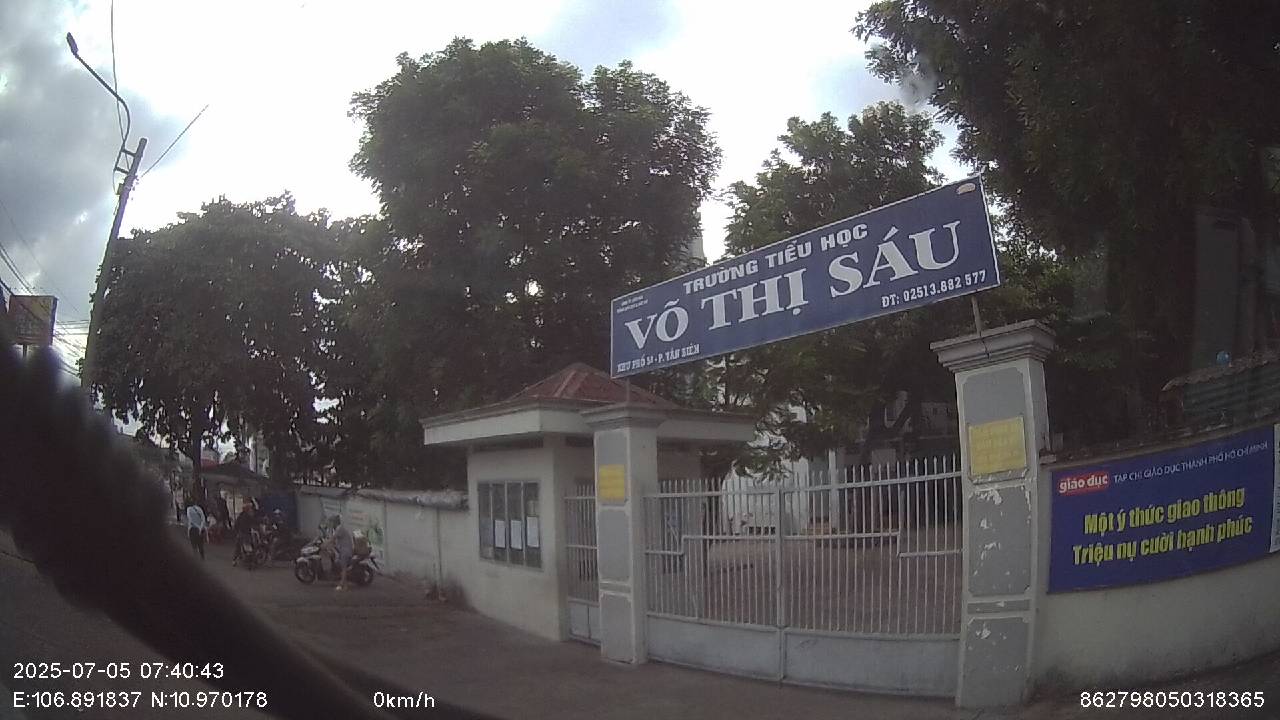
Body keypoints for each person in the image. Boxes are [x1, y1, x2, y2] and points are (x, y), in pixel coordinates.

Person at [331, 515, 354, 591]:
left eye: (332, 522)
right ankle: (345, 585)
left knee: (343, 568)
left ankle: (341, 585)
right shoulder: (338, 529)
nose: (331, 523)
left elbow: (332, 538)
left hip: (345, 551)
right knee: (340, 566)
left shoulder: (340, 529)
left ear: (335, 522)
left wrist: (324, 544)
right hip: (342, 550)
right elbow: (334, 540)